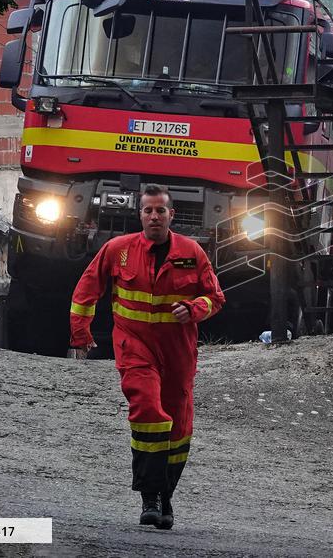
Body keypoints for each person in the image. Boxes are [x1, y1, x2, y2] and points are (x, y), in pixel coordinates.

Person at [68, 184, 224, 530]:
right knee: (148, 410)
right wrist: (81, 333)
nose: (154, 216)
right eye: (148, 210)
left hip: (178, 351)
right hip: (135, 345)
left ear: (172, 215)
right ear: (139, 215)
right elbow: (86, 290)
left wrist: (195, 308)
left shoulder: (192, 252)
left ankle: (166, 496)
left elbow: (215, 297)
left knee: (179, 426)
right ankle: (150, 496)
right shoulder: (117, 249)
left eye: (160, 210)